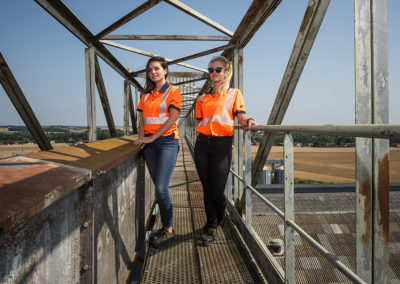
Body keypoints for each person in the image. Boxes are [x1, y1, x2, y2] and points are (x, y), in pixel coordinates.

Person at [194, 55, 257, 245]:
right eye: (211, 69)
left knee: (217, 189)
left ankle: (219, 217)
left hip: (222, 145)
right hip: (202, 145)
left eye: (218, 69)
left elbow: (241, 116)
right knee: (207, 189)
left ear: (227, 72)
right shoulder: (202, 98)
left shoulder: (234, 94)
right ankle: (212, 225)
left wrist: (249, 121)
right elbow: (200, 121)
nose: (214, 72)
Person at [134, 56, 182, 247]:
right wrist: (141, 137)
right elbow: (142, 120)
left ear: (165, 70)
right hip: (150, 146)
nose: (153, 72)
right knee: (159, 188)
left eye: (156, 68)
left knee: (162, 188)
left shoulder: (173, 91)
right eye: (150, 70)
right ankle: (165, 225)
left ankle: (168, 228)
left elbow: (173, 118)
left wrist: (151, 138)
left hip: (167, 143)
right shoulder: (145, 95)